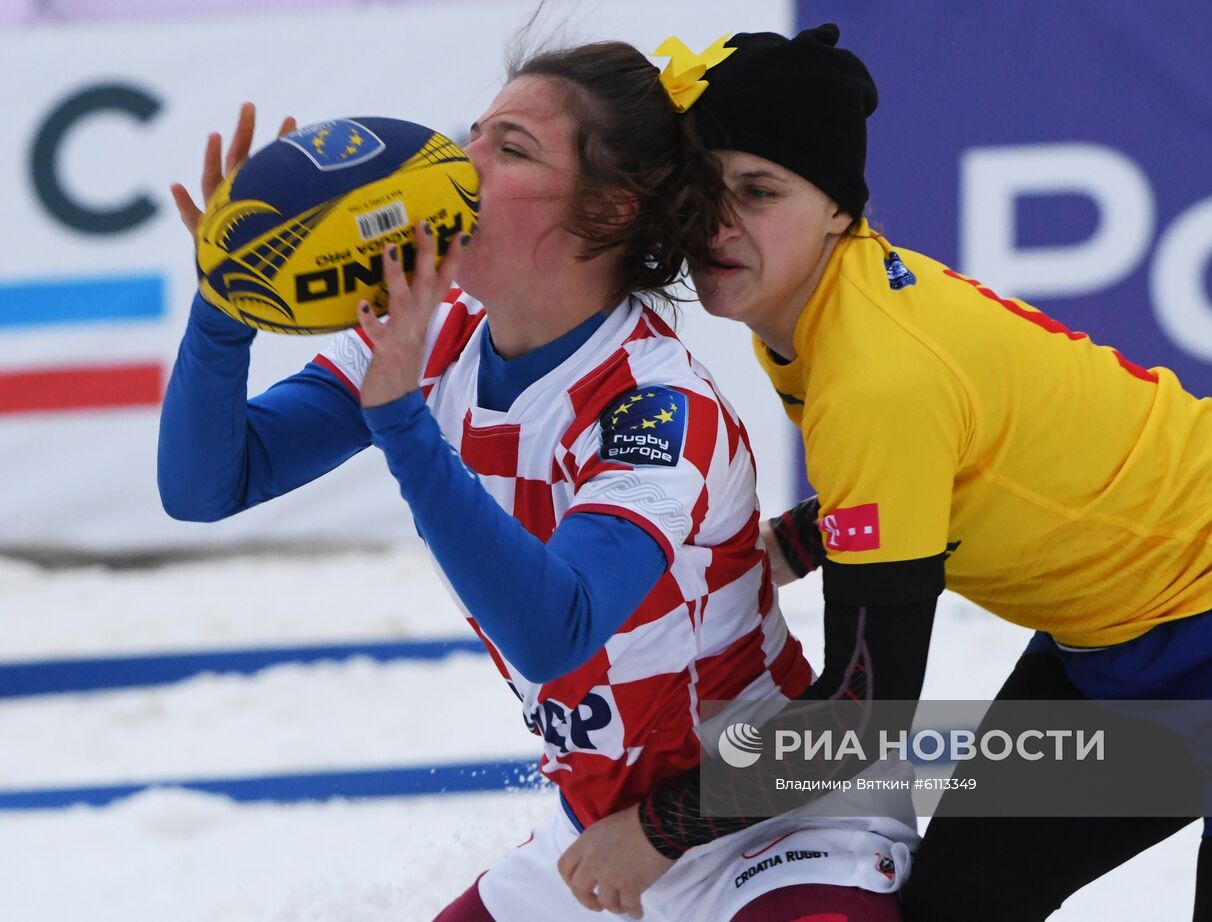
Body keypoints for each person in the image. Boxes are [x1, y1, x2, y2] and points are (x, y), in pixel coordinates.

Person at [562, 24, 1212, 921]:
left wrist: (659, 827)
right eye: (700, 193)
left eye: (758, 191)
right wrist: (793, 542)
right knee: (954, 906)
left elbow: (861, 715)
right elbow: (962, 455)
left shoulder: (875, 370)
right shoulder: (831, 302)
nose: (719, 225)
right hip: (1124, 648)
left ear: (840, 208)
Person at [159, 40, 915, 922]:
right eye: (471, 135)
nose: (456, 166)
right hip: (595, 834)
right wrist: (227, 299)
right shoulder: (431, 337)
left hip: (764, 821)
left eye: (510, 150)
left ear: (608, 211)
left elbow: (556, 631)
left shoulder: (654, 406)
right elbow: (209, 483)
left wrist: (401, 422)